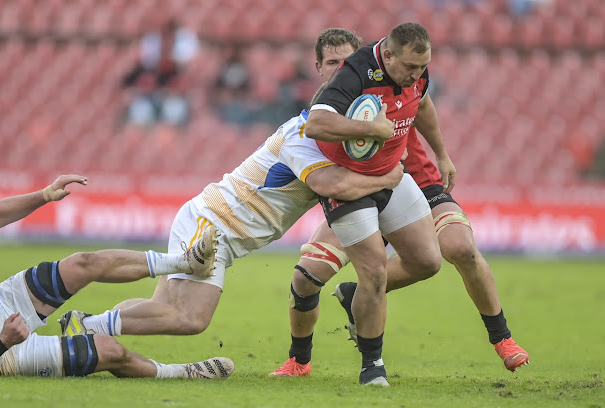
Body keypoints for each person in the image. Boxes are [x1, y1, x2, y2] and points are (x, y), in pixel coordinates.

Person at [270, 26, 529, 379]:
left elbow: (421, 102)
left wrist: (442, 154)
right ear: (318, 67)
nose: (341, 67)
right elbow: (320, 153)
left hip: (411, 181)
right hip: (359, 188)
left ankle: (503, 340)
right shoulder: (332, 105)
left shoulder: (403, 75)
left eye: (347, 59)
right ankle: (301, 360)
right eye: (333, 62)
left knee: (456, 250)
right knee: (307, 277)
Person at [59, 107, 405, 350]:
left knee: (162, 306)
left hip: (208, 216)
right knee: (190, 318)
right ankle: (87, 327)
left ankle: (87, 327)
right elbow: (333, 186)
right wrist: (388, 176)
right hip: (213, 225)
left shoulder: (326, 138)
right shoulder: (303, 137)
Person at [0, 174, 234, 379]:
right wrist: (4, 340)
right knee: (109, 352)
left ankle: (185, 262)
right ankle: (181, 373)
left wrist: (44, 195)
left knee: (83, 263)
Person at [288, 22, 449, 386]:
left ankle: (353, 296)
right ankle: (372, 366)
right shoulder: (356, 73)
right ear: (388, 54)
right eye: (410, 67)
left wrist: (442, 154)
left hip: (391, 177)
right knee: (374, 273)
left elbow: (422, 103)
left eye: (421, 68)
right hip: (348, 185)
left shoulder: (415, 70)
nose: (416, 74)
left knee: (428, 260)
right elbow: (316, 124)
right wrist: (370, 130)